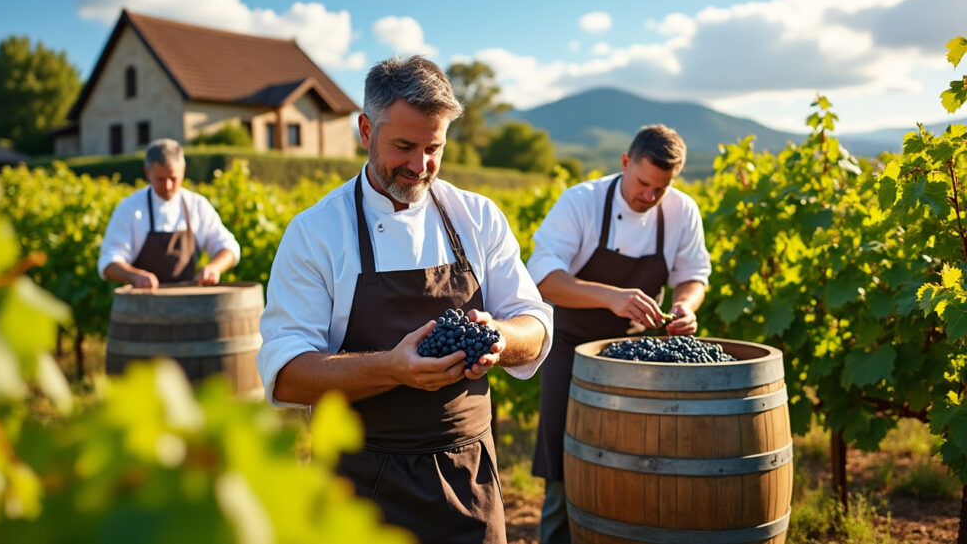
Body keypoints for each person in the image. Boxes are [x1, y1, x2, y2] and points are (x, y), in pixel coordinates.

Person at [257, 55, 553, 544]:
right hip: (359, 488)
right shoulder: (316, 232)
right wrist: (392, 368)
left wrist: (499, 338)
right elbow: (287, 376)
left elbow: (535, 323)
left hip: (469, 480)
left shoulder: (477, 217)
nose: (420, 166)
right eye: (404, 146)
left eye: (434, 148)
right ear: (365, 130)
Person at [528, 124, 712, 544]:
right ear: (626, 162)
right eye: (643, 183)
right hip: (571, 348)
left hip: (638, 354)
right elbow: (544, 279)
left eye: (661, 188)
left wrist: (686, 306)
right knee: (563, 462)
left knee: (642, 462)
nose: (650, 195)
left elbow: (693, 275)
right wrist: (610, 296)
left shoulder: (682, 211)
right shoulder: (581, 202)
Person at [98, 138, 240, 288]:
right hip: (144, 301)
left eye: (173, 178)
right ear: (147, 172)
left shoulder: (197, 205)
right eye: (160, 179)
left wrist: (214, 267)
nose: (167, 186)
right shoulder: (130, 208)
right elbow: (108, 262)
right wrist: (134, 275)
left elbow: (229, 247)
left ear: (183, 171)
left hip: (191, 300)